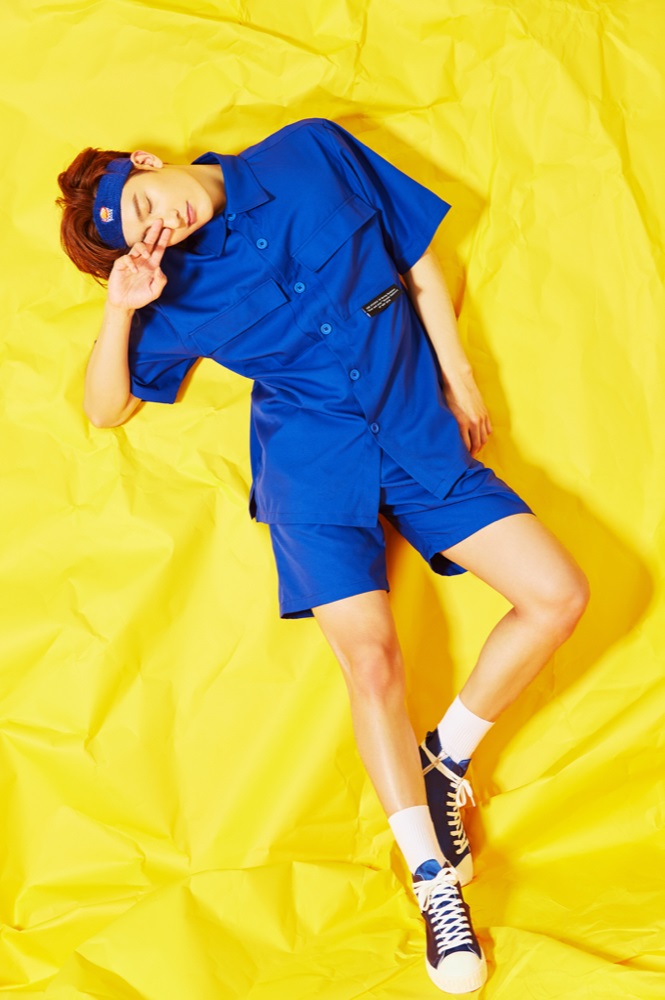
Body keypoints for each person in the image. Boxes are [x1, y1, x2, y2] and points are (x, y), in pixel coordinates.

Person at [56, 117, 590, 994]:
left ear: (145, 163)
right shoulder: (168, 290)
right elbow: (105, 407)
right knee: (371, 662)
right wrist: (121, 306)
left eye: (145, 203)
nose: (162, 227)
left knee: (556, 595)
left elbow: (414, 253)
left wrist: (457, 374)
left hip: (416, 433)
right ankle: (433, 885)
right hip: (310, 469)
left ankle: (444, 758)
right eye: (142, 233)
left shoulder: (309, 150)